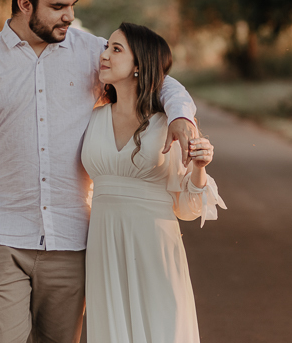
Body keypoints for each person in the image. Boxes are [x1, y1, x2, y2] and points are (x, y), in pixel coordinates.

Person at [0, 0, 199, 343]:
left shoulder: (91, 53)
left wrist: (180, 116)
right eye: (57, 7)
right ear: (25, 4)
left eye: (72, 5)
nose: (68, 16)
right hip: (2, 237)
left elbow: (159, 76)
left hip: (72, 240)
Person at [82, 22, 226, 343]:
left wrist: (200, 166)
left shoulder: (168, 126)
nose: (104, 55)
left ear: (139, 66)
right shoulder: (91, 119)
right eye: (106, 47)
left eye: (116, 49)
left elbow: (187, 209)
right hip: (104, 247)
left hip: (154, 248)